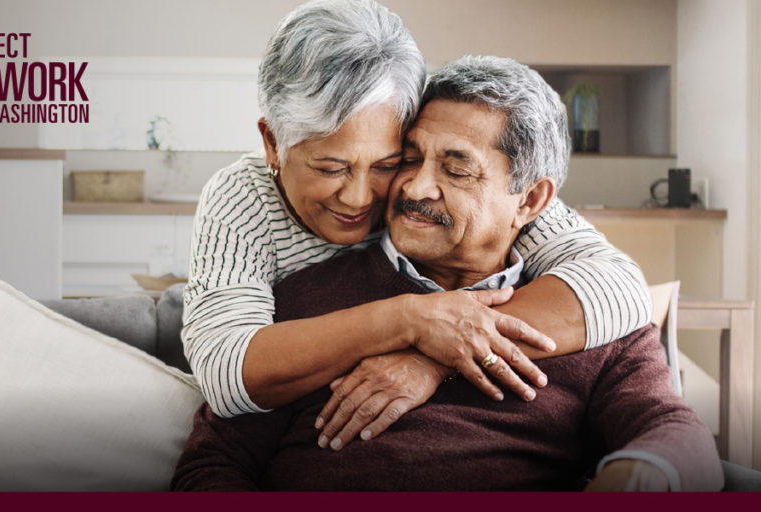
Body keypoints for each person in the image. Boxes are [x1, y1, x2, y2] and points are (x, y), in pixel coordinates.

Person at [171, 55, 723, 492]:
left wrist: (641, 473)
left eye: (456, 168)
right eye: (407, 159)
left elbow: (679, 436)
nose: (413, 188)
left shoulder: (591, 320)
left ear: (530, 200)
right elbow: (212, 465)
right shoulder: (305, 300)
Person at [182, 0, 651, 444]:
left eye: (388, 163)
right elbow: (225, 375)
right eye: (331, 168)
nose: (361, 197)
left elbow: (618, 286)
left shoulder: (441, 192)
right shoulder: (243, 198)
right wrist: (409, 319)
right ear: (271, 144)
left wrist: (430, 354)